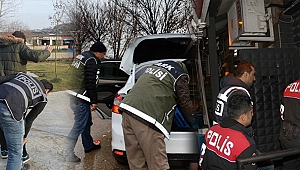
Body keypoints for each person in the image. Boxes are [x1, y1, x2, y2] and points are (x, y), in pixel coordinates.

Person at [119, 60, 195, 169]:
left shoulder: (156, 66)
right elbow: (185, 102)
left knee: (136, 161)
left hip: (127, 109)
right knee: (158, 164)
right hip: (147, 117)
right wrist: (193, 120)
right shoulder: (180, 74)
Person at [0, 31, 53, 161]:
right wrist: (47, 51)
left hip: (2, 86)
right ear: (21, 40)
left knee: (1, 120)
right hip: (18, 90)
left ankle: (4, 148)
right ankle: (22, 152)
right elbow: (36, 56)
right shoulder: (19, 46)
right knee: (19, 120)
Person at [0, 72, 53, 170]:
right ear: (47, 90)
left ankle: (18, 164)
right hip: (10, 107)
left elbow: (2, 79)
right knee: (15, 152)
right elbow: (29, 119)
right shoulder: (42, 96)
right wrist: (23, 137)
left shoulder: (23, 75)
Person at [65, 41, 107, 162]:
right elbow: (90, 82)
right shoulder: (91, 60)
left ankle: (88, 145)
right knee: (79, 125)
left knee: (86, 122)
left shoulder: (82, 56)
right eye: (103, 54)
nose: (103, 57)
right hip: (80, 97)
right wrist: (94, 100)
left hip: (74, 95)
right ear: (97, 52)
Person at [200, 94, 256, 170]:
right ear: (243, 117)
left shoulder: (211, 131)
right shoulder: (245, 144)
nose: (252, 115)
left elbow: (203, 162)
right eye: (251, 112)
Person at [214, 60, 256, 125]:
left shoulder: (227, 88)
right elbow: (241, 121)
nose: (254, 78)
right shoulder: (238, 93)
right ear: (246, 75)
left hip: (220, 131)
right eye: (253, 74)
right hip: (231, 132)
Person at [279, 79, 300, 170]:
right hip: (298, 139)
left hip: (286, 134)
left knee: (289, 166)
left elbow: (282, 115)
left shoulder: (289, 87)